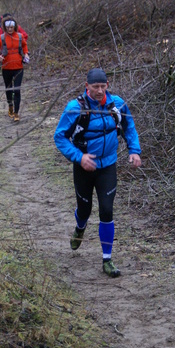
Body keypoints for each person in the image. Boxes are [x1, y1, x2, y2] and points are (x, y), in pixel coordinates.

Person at [53, 68, 142, 278]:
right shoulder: (75, 108)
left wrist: (135, 150)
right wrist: (79, 157)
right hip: (84, 167)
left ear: (107, 85)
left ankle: (107, 259)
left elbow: (129, 127)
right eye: (95, 87)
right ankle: (80, 227)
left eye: (103, 86)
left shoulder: (117, 104)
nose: (100, 91)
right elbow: (59, 137)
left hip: (107, 166)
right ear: (87, 86)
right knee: (85, 209)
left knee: (106, 211)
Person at [0, 15, 29, 122]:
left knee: (17, 90)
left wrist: (26, 54)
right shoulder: (1, 38)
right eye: (8, 27)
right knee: (9, 88)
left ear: (14, 27)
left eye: (11, 27)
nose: (10, 29)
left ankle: (16, 113)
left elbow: (25, 46)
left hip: (18, 67)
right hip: (6, 67)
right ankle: (10, 106)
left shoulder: (20, 36)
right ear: (4, 27)